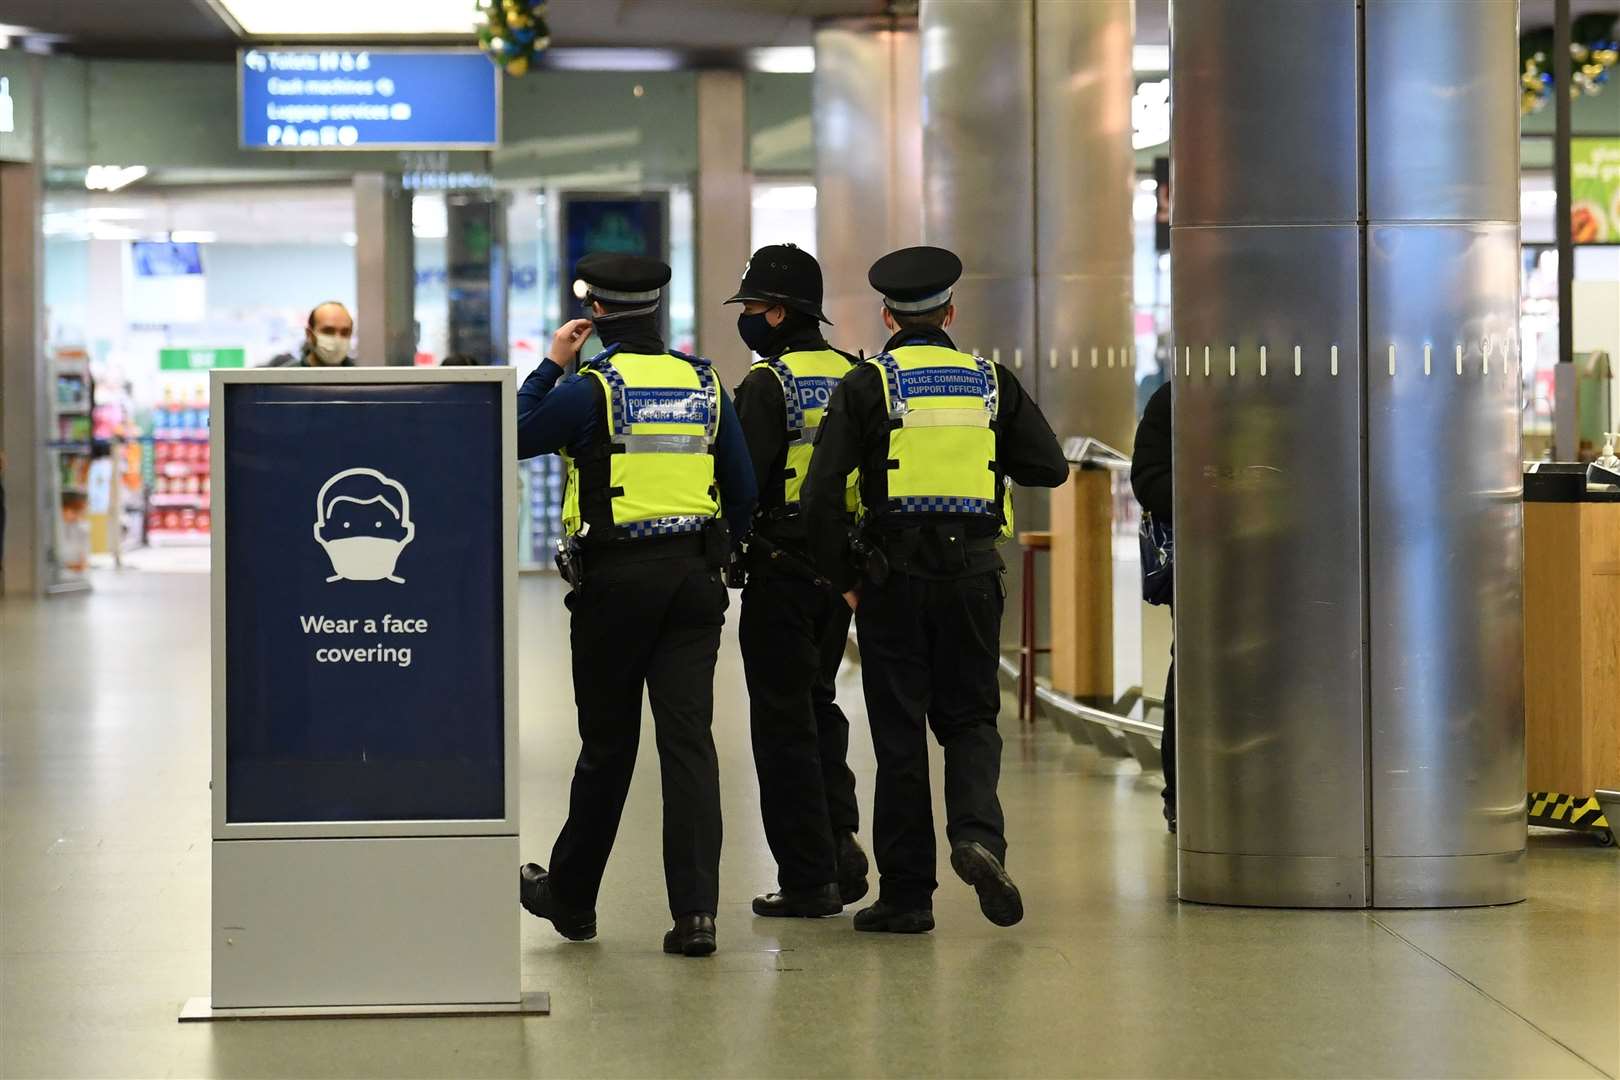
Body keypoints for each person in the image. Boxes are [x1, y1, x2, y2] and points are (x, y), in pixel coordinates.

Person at [801, 246, 1066, 934]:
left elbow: (821, 498)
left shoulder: (869, 386)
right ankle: (979, 837)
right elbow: (1049, 465)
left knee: (899, 735)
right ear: (950, 312)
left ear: (887, 316)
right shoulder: (989, 382)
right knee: (973, 720)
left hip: (893, 582)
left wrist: (848, 583)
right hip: (974, 579)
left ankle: (908, 895)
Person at [515, 253, 757, 958]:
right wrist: (715, 557)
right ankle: (696, 916)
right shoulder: (705, 382)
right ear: (657, 306)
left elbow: (516, 434)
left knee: (608, 745)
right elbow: (740, 492)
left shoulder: (592, 387)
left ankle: (574, 899)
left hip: (615, 586)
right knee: (689, 746)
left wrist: (551, 365)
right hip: (692, 584)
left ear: (593, 313)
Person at [725, 244, 869, 919]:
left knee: (781, 724)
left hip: (780, 567)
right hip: (837, 569)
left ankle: (808, 878)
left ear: (779, 312)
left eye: (752, 307)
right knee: (819, 704)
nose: (748, 318)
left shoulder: (767, 383)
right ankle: (840, 844)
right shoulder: (856, 373)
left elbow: (742, 484)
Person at [1130, 379, 1176, 833]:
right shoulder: (1175, 397)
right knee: (1193, 666)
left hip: (1285, 557)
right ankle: (1179, 792)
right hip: (1203, 558)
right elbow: (1148, 479)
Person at [266, 302, 355, 367]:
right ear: (309, 334)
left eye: (345, 332)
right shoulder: (284, 379)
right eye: (328, 331)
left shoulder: (363, 380)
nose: (337, 339)